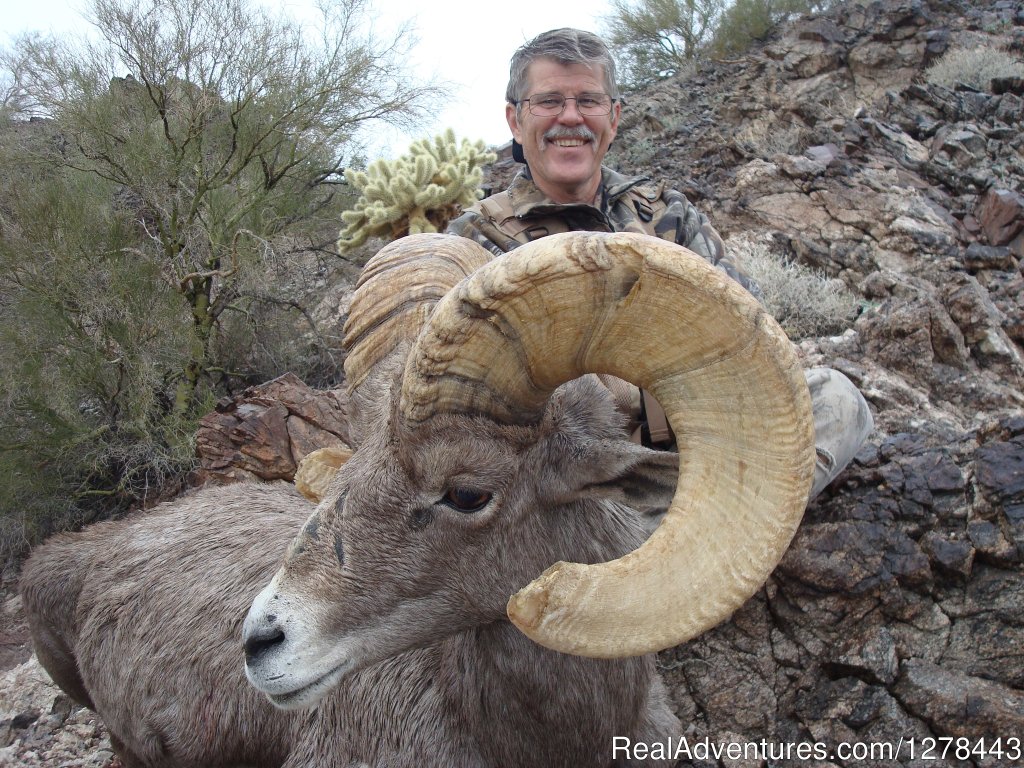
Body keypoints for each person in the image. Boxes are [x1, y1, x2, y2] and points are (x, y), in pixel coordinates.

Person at [446, 27, 872, 499]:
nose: (570, 118)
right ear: (514, 120)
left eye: (589, 100)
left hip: (699, 441)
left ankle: (698, 526)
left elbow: (751, 334)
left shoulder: (667, 213)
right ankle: (722, 521)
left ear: (614, 117)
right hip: (574, 486)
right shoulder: (474, 241)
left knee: (836, 398)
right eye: (548, 102)